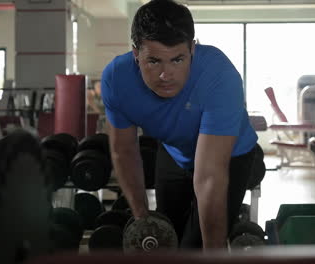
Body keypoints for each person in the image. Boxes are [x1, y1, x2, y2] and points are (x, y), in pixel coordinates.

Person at [101, 0, 264, 250]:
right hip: (175, 151)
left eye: (177, 60)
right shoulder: (117, 79)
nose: (166, 75)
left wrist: (212, 252)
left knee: (195, 247)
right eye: (154, 61)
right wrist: (141, 217)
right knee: (165, 237)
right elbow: (124, 150)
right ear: (136, 54)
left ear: (192, 49)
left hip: (231, 155)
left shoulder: (219, 75)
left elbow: (209, 176)